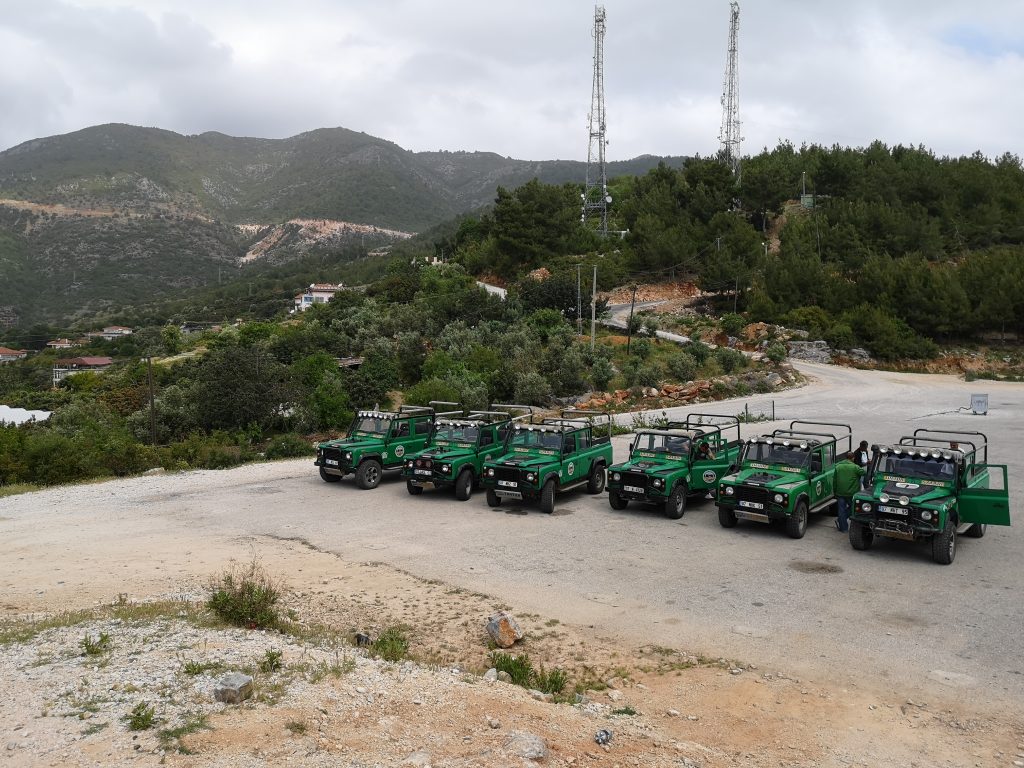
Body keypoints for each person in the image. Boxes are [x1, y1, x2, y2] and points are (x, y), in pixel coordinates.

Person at [834, 451, 866, 533]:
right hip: (851, 493)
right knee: (854, 508)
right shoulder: (855, 467)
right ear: (853, 458)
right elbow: (864, 473)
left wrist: (835, 492)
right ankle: (841, 520)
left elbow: (834, 481)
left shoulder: (838, 467)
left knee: (841, 510)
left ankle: (843, 528)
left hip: (840, 492)